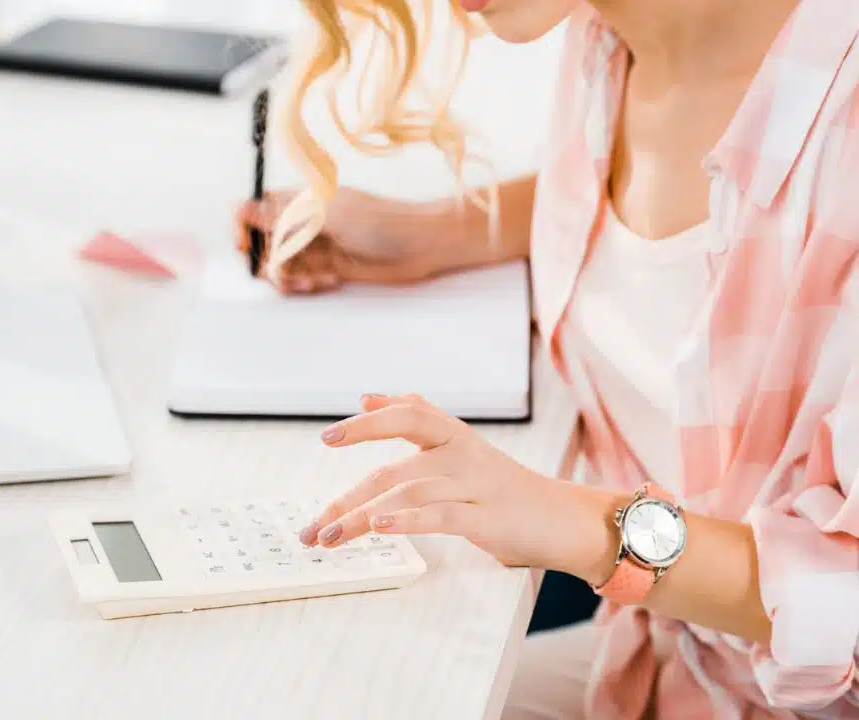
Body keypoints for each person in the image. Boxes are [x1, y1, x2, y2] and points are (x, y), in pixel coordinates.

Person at [235, 0, 859, 717]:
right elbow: (700, 212)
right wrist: (432, 235)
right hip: (679, 663)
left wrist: (578, 525)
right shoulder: (606, 40)